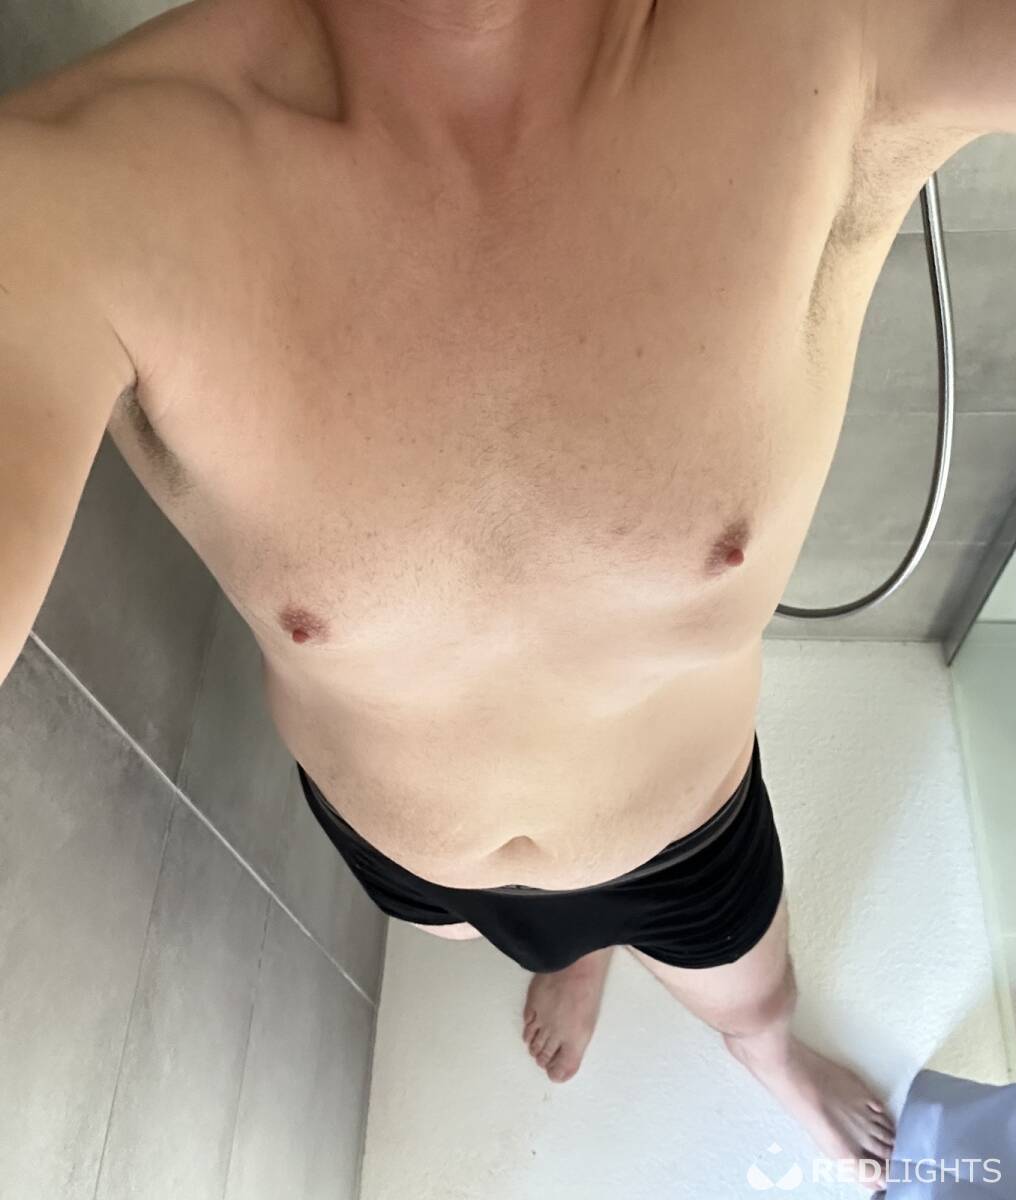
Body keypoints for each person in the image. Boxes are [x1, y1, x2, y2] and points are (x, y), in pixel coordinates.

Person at [2, 1, 1012, 1190]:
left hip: (680, 832)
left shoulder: (834, 42)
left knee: (754, 999)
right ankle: (574, 960)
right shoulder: (79, 188)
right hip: (412, 865)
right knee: (502, 937)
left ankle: (766, 1059)